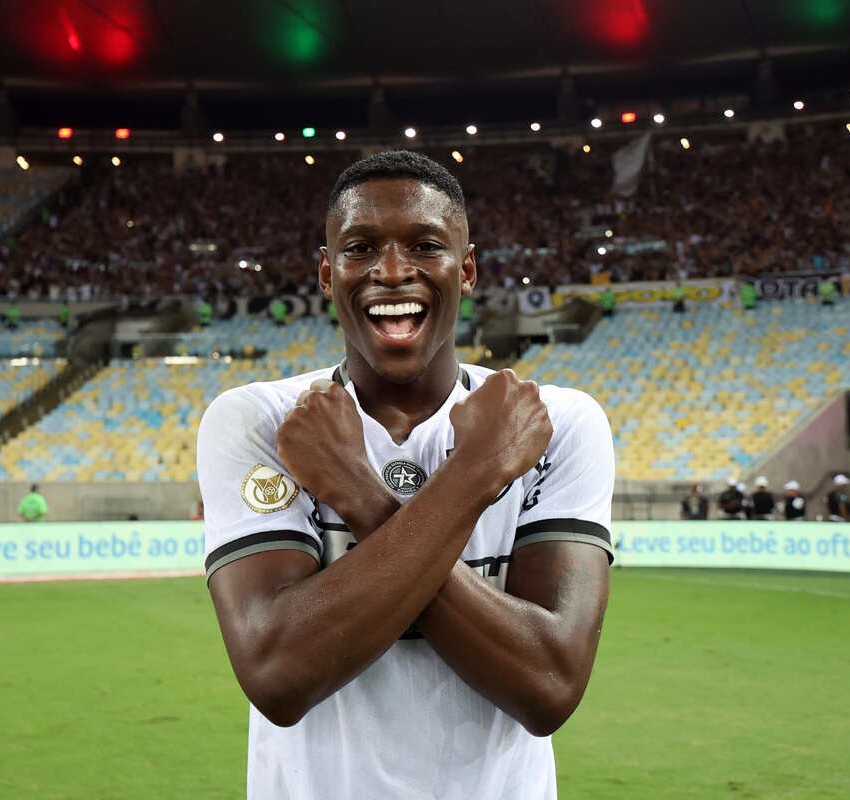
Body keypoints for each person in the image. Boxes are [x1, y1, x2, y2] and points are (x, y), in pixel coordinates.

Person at [197, 151, 613, 799]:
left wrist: (362, 495)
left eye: (425, 245)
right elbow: (277, 674)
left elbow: (549, 686)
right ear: (327, 273)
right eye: (360, 248)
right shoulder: (262, 421)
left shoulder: (556, 423)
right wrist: (477, 473)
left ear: (466, 269)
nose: (392, 271)